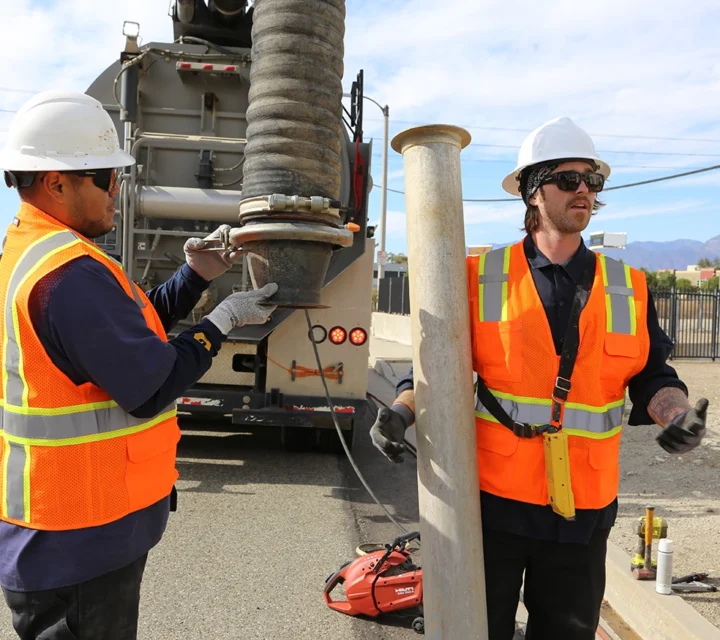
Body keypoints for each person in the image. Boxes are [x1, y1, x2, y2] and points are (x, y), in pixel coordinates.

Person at [370, 116, 709, 640]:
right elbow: (438, 368)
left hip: (584, 509)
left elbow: (651, 375)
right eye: (567, 180)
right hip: (491, 503)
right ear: (531, 192)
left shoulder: (629, 286)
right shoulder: (478, 278)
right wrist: (402, 411)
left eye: (592, 181)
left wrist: (677, 415)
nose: (584, 192)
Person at [0, 90, 278, 639]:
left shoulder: (40, 253)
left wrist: (193, 276)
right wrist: (220, 321)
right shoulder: (68, 275)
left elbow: (127, 330)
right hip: (79, 537)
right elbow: (150, 383)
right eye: (106, 178)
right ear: (56, 182)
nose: (117, 192)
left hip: (61, 532)